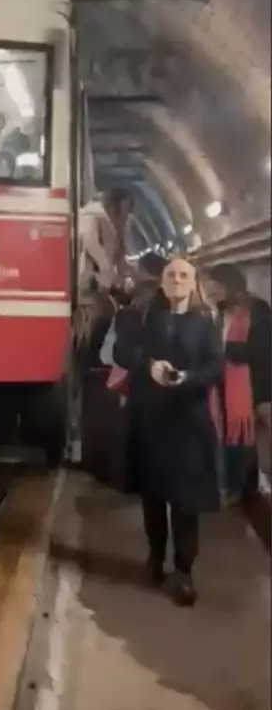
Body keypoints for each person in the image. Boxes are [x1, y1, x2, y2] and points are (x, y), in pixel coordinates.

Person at [114, 256, 223, 606]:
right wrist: (149, 365)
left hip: (188, 425)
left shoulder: (205, 324)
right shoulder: (144, 315)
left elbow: (215, 367)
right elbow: (121, 350)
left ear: (194, 284)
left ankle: (185, 571)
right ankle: (155, 559)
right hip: (152, 421)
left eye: (184, 275)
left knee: (186, 502)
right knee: (154, 496)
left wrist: (188, 379)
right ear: (162, 281)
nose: (177, 280)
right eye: (171, 274)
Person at [202, 264, 271, 500]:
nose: (210, 294)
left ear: (228, 285)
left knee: (253, 447)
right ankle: (236, 490)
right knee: (232, 442)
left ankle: (248, 493)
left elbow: (263, 353)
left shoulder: (258, 309)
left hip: (253, 389)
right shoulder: (219, 313)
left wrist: (227, 350)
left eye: (214, 289)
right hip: (225, 389)